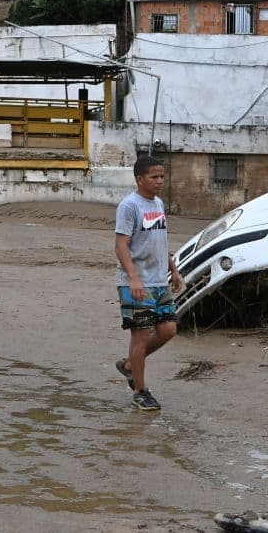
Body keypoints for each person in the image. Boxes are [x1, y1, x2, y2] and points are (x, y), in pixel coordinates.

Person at [114, 156, 184, 411]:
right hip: (136, 282)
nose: (159, 181)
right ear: (139, 178)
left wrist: (173, 270)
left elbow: (159, 241)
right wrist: (133, 277)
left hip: (159, 281)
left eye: (162, 176)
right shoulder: (129, 206)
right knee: (141, 335)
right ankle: (140, 391)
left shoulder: (158, 203)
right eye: (154, 177)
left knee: (168, 330)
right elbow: (121, 246)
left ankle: (131, 364)